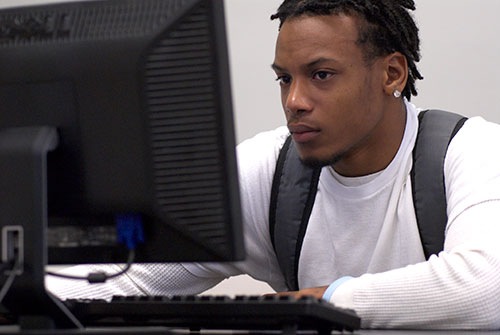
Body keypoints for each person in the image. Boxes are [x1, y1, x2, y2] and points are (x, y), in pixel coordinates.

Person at [48, 0, 500, 329]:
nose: (294, 101)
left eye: (321, 75)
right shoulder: (269, 170)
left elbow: (486, 288)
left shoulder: (472, 150)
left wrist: (316, 305)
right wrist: (27, 291)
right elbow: (131, 279)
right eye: (284, 78)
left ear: (392, 74)